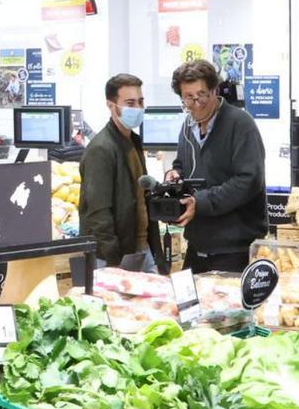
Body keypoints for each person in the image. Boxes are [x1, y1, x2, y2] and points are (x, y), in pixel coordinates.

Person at [167, 59, 267, 274]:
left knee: (229, 308)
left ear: (215, 90)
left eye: (202, 95)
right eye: (188, 98)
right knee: (189, 307)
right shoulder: (188, 125)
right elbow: (182, 164)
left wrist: (200, 202)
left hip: (234, 250)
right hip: (197, 246)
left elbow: (249, 180)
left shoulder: (240, 124)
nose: (196, 103)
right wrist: (174, 175)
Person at [80, 74, 167, 274]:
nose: (137, 108)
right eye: (130, 103)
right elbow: (98, 212)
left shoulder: (133, 142)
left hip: (141, 248)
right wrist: (113, 261)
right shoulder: (101, 149)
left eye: (140, 101)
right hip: (116, 256)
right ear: (111, 106)